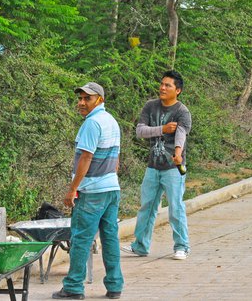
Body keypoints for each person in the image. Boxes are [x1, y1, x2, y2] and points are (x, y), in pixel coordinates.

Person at [54, 82, 124, 300]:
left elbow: (86, 157)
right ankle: (114, 285)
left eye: (87, 99)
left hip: (92, 191)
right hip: (111, 189)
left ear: (100, 100)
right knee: (110, 237)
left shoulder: (92, 124)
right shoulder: (111, 121)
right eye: (80, 98)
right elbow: (117, 159)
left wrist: (72, 189)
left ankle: (74, 287)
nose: (82, 103)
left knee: (80, 239)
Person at [122, 70, 192, 260]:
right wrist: (162, 129)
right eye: (162, 84)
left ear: (178, 90)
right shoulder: (150, 106)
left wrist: (178, 153)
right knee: (147, 207)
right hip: (153, 166)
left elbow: (181, 133)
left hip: (172, 169)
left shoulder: (181, 111)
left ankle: (182, 246)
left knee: (175, 207)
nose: (162, 87)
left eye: (168, 85)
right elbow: (140, 131)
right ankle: (140, 246)